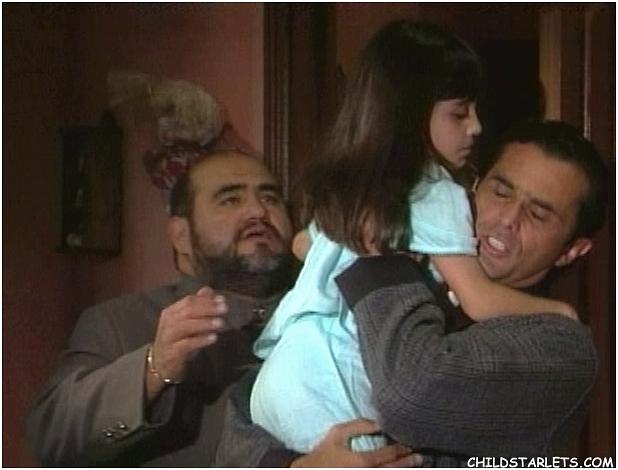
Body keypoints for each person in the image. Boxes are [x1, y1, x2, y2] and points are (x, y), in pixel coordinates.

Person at [248, 20, 575, 456]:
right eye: (460, 113)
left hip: (281, 372)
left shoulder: (357, 181)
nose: (476, 127)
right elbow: (478, 299)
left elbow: (302, 244)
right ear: (410, 114)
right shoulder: (436, 191)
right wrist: (561, 313)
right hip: (335, 377)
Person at [215, 119, 608, 467]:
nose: (507, 220)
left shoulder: (560, 345)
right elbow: (241, 420)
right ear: (473, 188)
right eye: (501, 193)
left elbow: (411, 394)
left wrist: (374, 253)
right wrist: (295, 466)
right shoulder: (414, 271)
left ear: (573, 250)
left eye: (538, 214)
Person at [26, 148, 297, 466]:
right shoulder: (120, 321)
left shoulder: (328, 312)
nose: (258, 212)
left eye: (270, 198)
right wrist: (155, 368)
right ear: (181, 235)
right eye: (230, 200)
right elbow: (51, 435)